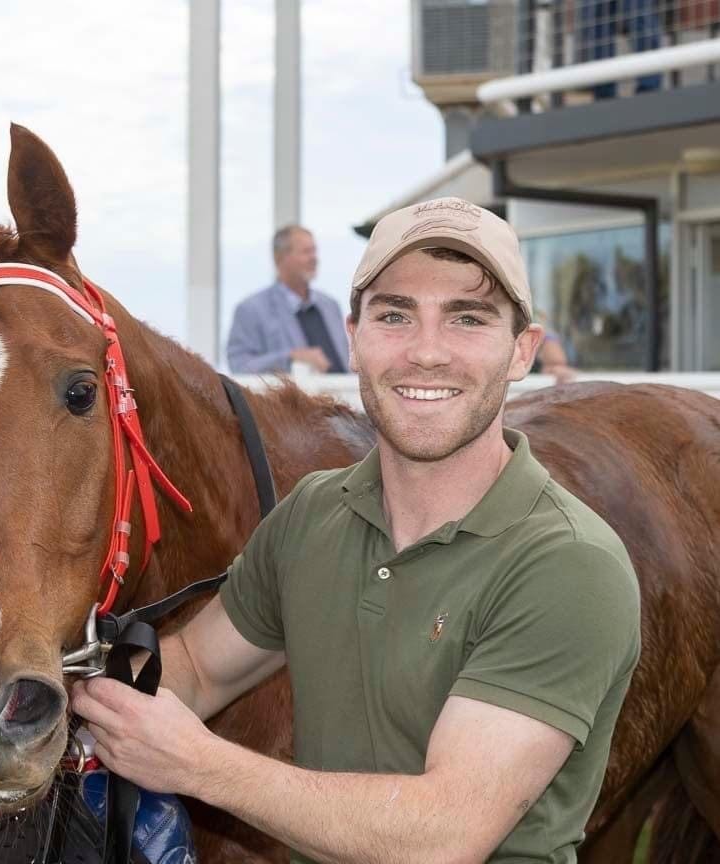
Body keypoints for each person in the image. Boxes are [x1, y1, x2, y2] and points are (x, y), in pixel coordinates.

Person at [74, 198, 641, 863]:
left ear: (522, 352)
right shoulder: (315, 513)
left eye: (467, 318)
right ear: (354, 337)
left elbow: (445, 834)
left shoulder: (569, 564)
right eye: (395, 315)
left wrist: (199, 764)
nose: (426, 352)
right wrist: (78, 682)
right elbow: (196, 666)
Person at [226, 226, 350, 375]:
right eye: (306, 252)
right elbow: (239, 365)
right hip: (296, 397)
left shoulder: (330, 305)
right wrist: (290, 357)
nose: (314, 258)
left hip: (346, 393)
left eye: (314, 251)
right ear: (280, 258)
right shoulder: (251, 309)